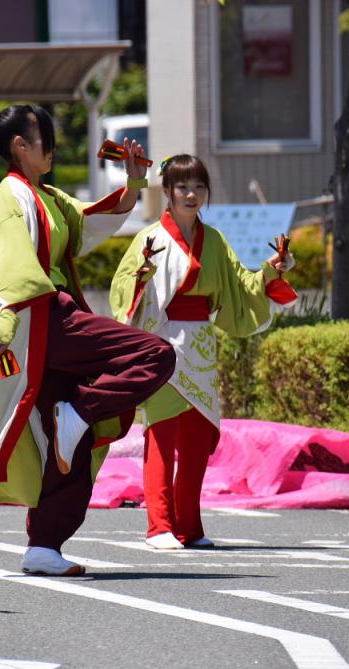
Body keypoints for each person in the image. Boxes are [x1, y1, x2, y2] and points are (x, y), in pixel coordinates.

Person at [0, 104, 175, 576]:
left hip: (48, 319)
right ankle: (84, 408)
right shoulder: (13, 192)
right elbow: (12, 261)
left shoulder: (44, 194)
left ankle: (43, 545)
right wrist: (11, 319)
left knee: (65, 443)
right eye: (44, 139)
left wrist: (132, 183)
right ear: (19, 147)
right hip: (42, 317)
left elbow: (87, 224)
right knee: (155, 353)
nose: (52, 148)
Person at [109, 154, 297, 550]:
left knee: (196, 440)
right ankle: (159, 526)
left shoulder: (215, 241)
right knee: (161, 436)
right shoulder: (149, 239)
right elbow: (124, 290)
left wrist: (270, 269)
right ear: (168, 192)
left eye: (198, 186)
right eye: (182, 187)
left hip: (200, 345)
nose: (191, 194)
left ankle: (189, 527)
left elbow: (241, 284)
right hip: (160, 343)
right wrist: (140, 282)